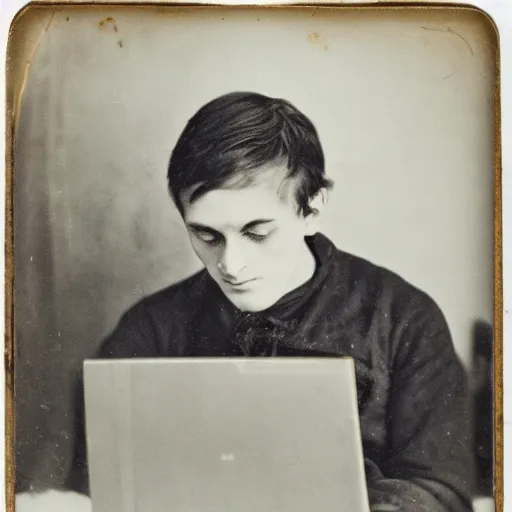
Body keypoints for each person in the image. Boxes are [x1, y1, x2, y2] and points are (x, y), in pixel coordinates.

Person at [67, 91, 474, 511]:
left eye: (257, 232)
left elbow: (441, 489)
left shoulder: (405, 319)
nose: (232, 265)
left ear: (312, 208)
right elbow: (100, 491)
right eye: (206, 235)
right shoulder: (149, 329)